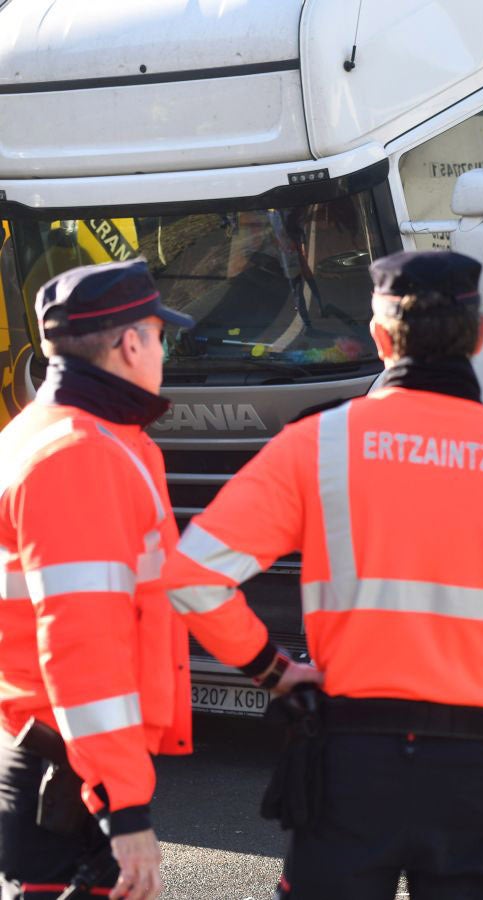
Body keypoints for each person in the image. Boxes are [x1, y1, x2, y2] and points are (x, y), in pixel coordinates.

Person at [162, 250, 483, 899]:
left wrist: (273, 671)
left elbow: (191, 577)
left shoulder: (316, 444)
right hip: (482, 779)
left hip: (347, 768)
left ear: (380, 338)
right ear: (480, 338)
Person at [0, 260, 318, 900]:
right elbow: (81, 648)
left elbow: (167, 582)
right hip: (70, 772)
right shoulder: (81, 456)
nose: (167, 351)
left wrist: (269, 669)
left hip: (66, 761)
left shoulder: (75, 436)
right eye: (161, 334)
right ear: (129, 343)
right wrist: (125, 810)